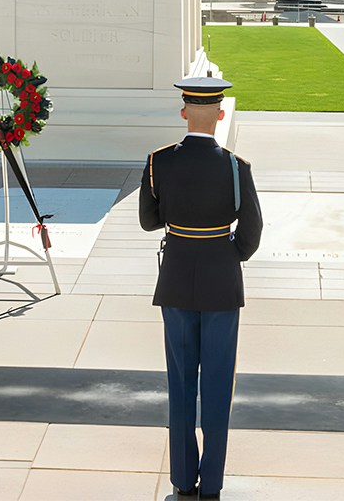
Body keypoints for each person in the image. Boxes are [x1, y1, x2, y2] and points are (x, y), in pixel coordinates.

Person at [139, 76, 263, 501]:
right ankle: (211, 482)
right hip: (222, 283)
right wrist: (228, 255)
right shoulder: (235, 166)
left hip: (175, 280)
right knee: (216, 387)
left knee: (180, 385)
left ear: (184, 111)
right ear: (221, 113)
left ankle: (182, 478)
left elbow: (148, 220)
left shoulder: (159, 163)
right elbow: (252, 231)